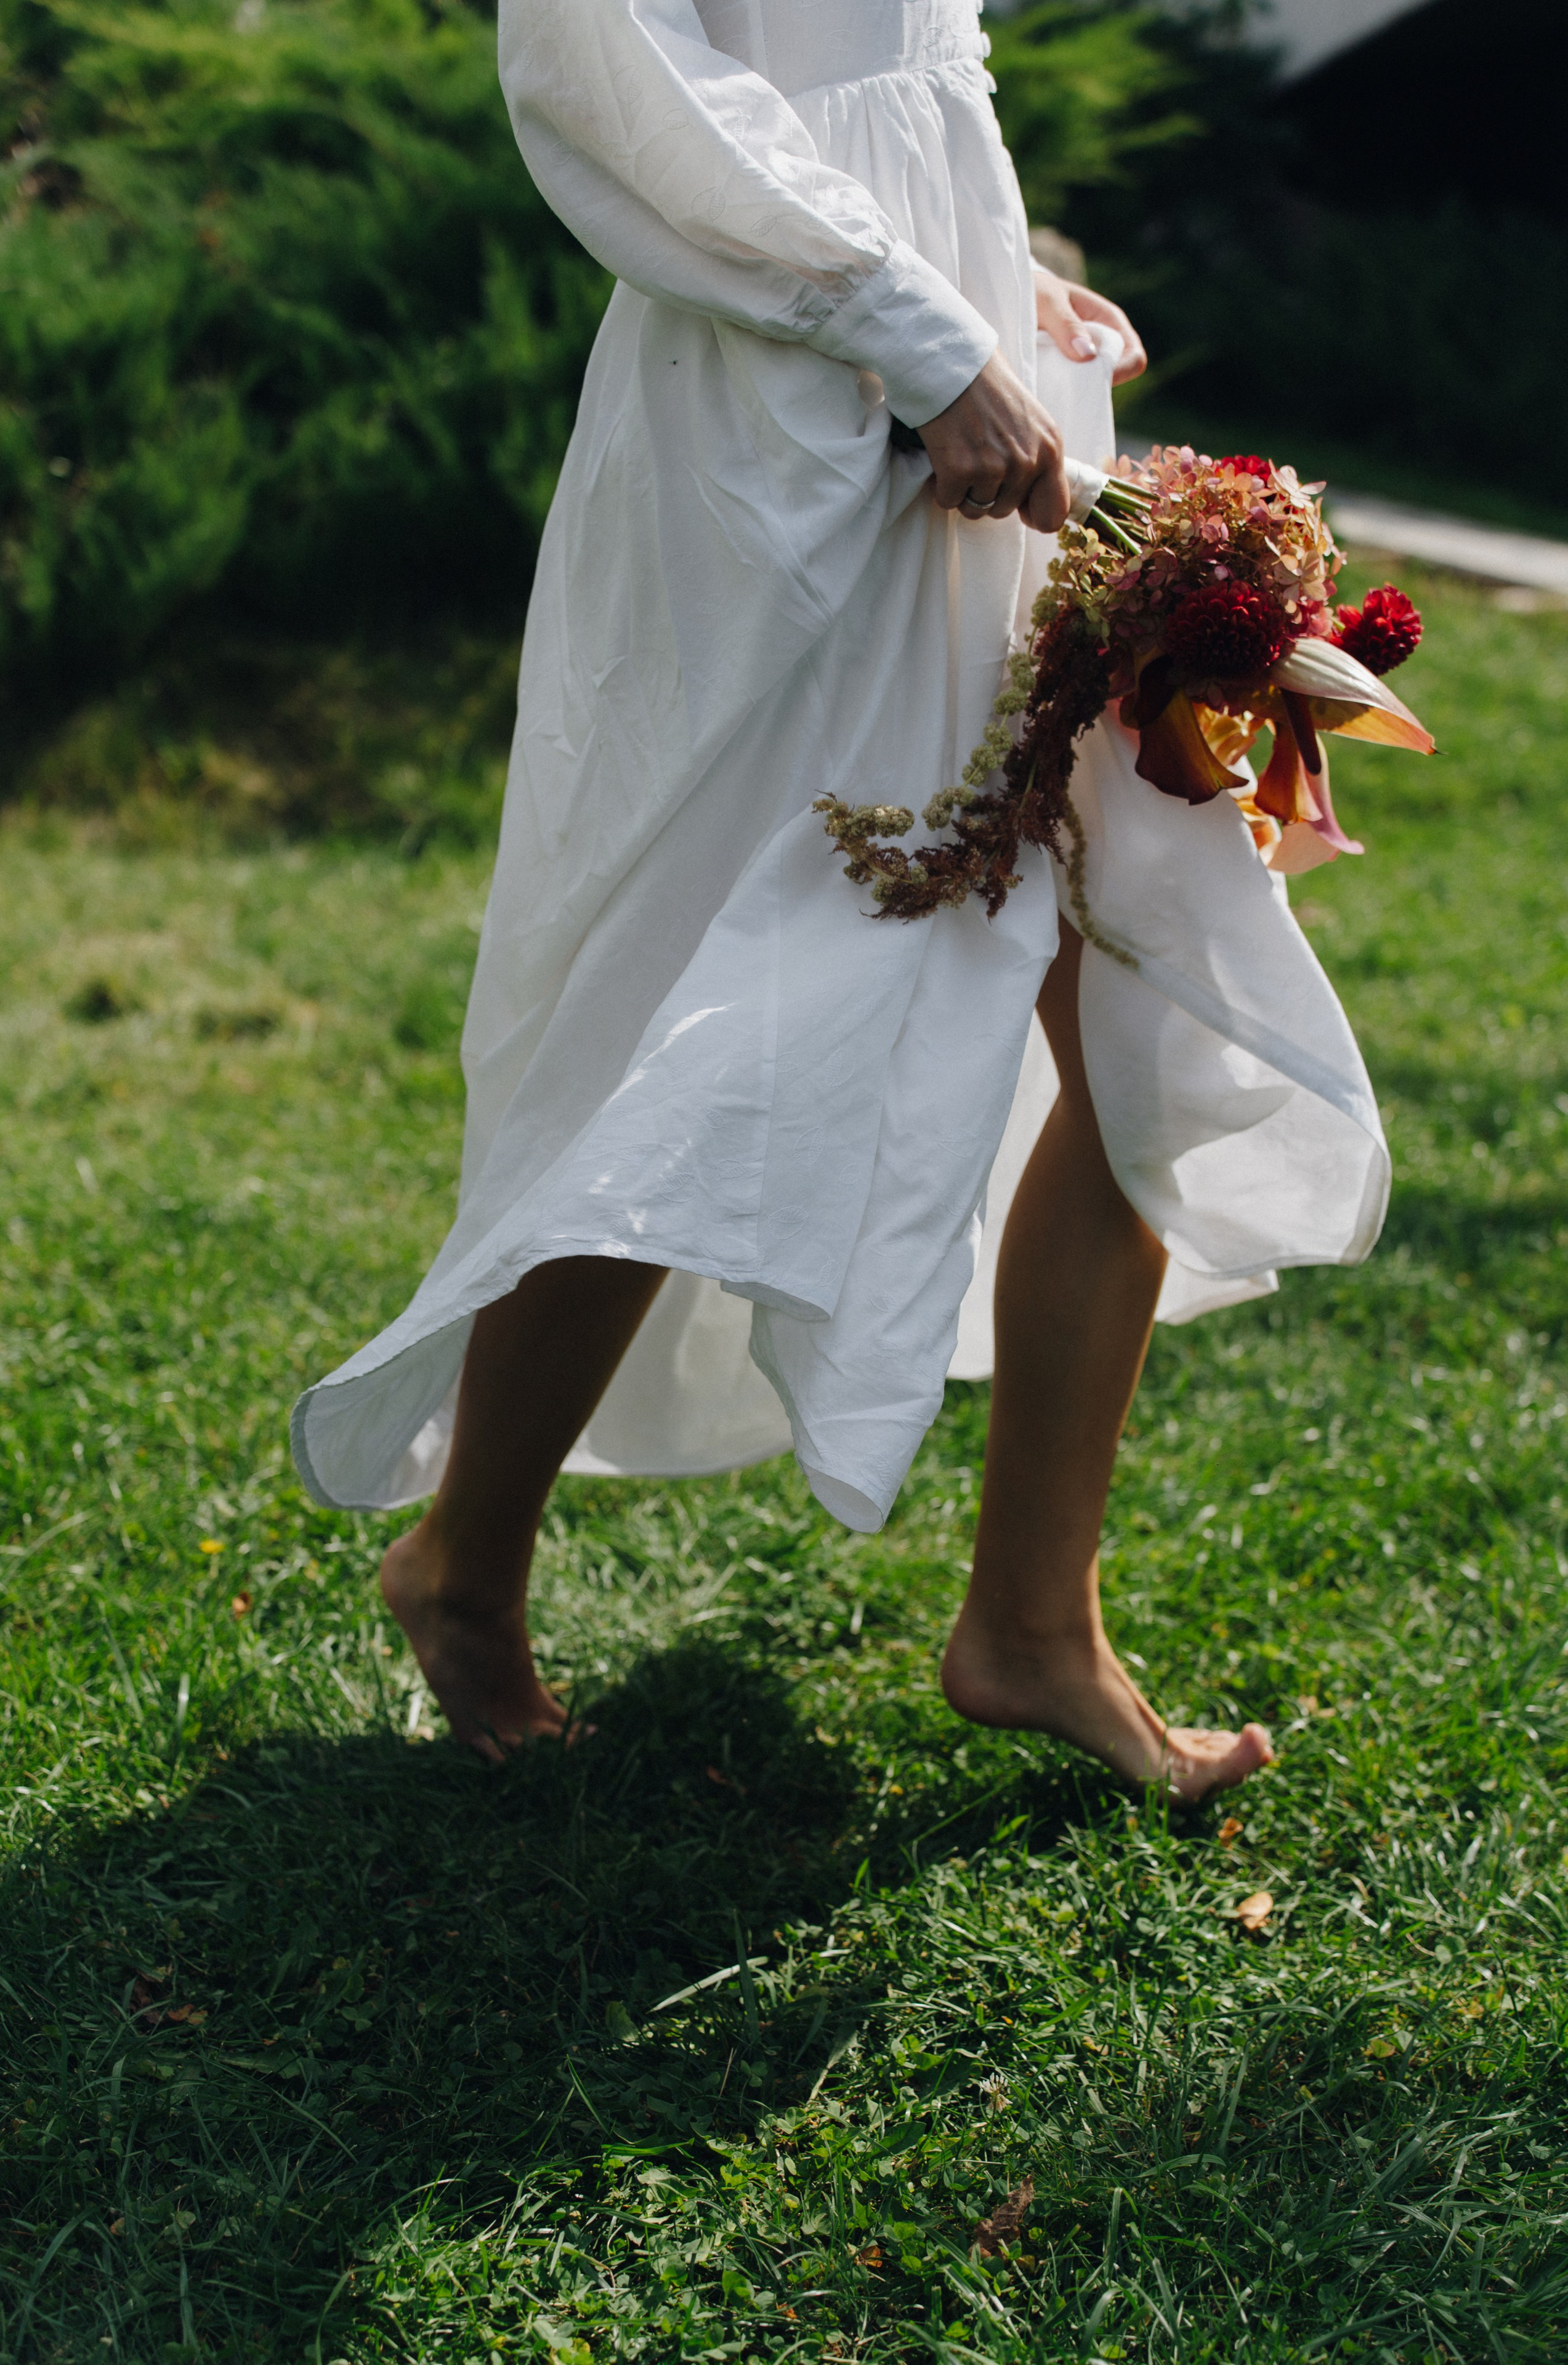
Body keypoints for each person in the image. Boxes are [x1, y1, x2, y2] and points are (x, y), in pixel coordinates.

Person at [293, 0, 1390, 1797]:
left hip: (977, 399)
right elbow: (617, 68)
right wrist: (908, 324)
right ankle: (463, 1565)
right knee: (699, 1018)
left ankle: (1033, 1624)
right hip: (778, 441)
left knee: (1138, 983)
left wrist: (997, 278)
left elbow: (890, 69)